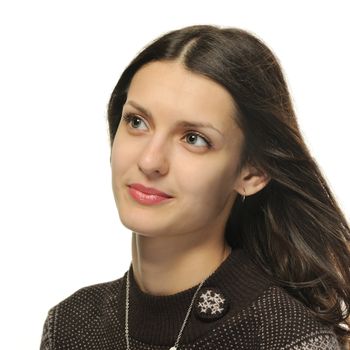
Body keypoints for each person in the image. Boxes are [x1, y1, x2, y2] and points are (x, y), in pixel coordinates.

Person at [40, 24, 350, 350]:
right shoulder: (69, 326)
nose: (150, 160)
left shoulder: (288, 339)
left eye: (194, 139)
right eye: (137, 122)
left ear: (252, 173)